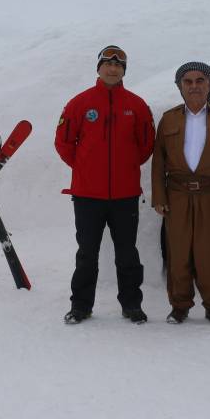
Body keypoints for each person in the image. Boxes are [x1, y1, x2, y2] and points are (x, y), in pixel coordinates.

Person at [55, 45, 155, 325]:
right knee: (87, 253)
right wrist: (86, 168)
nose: (113, 69)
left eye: (119, 65)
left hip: (125, 195)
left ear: (124, 70)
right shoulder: (79, 103)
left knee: (128, 253)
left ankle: (132, 305)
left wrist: (125, 168)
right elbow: (63, 143)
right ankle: (81, 306)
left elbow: (146, 145)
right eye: (107, 64)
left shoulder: (136, 105)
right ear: (98, 68)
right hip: (87, 195)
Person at [152, 62, 210, 326]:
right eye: (188, 81)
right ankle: (179, 305)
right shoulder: (169, 119)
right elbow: (159, 161)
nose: (194, 86)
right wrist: (160, 196)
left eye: (200, 80)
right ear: (180, 87)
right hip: (178, 194)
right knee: (178, 252)